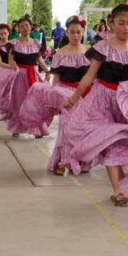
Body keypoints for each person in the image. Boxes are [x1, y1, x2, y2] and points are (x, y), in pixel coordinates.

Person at [61, 4, 128, 206]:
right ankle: (118, 191)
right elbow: (89, 76)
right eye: (121, 23)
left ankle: (122, 184)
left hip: (126, 105)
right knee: (111, 141)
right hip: (102, 102)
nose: (126, 27)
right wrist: (74, 99)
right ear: (112, 24)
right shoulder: (103, 48)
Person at [21, 15, 91, 175]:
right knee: (66, 129)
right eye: (72, 32)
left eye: (78, 32)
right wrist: (54, 96)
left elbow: (92, 77)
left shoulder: (88, 52)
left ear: (82, 32)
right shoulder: (60, 54)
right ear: (66, 33)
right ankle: (62, 162)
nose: (76, 35)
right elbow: (56, 79)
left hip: (84, 94)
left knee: (82, 129)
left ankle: (79, 160)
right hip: (65, 95)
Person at [0, 16, 50, 138]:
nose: (25, 28)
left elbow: (40, 60)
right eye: (22, 26)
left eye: (27, 25)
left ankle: (37, 129)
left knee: (35, 102)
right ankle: (16, 128)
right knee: (19, 102)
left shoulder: (36, 43)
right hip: (20, 75)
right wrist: (14, 67)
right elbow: (10, 59)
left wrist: (47, 71)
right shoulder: (14, 43)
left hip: (33, 74)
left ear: (30, 27)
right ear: (18, 28)